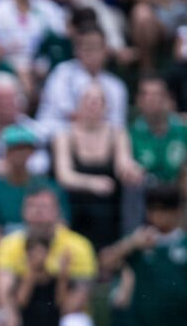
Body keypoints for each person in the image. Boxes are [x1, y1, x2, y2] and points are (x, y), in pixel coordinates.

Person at [0, 187, 98, 326]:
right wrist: (32, 272)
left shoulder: (78, 246)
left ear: (58, 212)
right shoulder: (8, 245)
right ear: (23, 212)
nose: (38, 213)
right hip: (24, 312)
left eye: (44, 207)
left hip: (64, 314)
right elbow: (5, 299)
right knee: (8, 320)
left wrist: (62, 275)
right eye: (32, 206)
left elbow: (72, 304)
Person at [99, 185, 187, 326]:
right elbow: (104, 262)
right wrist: (130, 244)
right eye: (154, 209)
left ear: (177, 211)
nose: (159, 215)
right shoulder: (138, 242)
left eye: (166, 209)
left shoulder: (184, 242)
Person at [53, 84, 143, 250]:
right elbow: (63, 175)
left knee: (134, 188)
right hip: (76, 206)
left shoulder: (117, 133)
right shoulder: (64, 135)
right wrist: (91, 183)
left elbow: (123, 162)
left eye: (97, 101)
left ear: (106, 106)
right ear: (78, 105)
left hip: (110, 209)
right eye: (87, 100)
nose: (92, 105)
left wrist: (131, 169)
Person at [0, 125, 69, 249]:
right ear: (6, 152)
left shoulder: (51, 188)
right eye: (14, 149)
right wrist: (13, 256)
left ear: (32, 152)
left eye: (24, 148)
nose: (19, 154)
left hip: (48, 253)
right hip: (6, 256)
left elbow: (61, 227)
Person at [36, 25, 128, 136]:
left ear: (105, 50)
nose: (91, 53)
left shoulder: (115, 85)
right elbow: (69, 114)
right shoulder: (62, 73)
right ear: (77, 50)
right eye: (86, 47)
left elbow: (117, 123)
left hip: (98, 141)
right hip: (57, 134)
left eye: (96, 47)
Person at [130, 76, 187, 184]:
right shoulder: (129, 134)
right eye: (146, 94)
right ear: (138, 100)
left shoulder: (183, 130)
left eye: (157, 94)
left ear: (168, 99)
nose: (151, 99)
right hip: (144, 194)